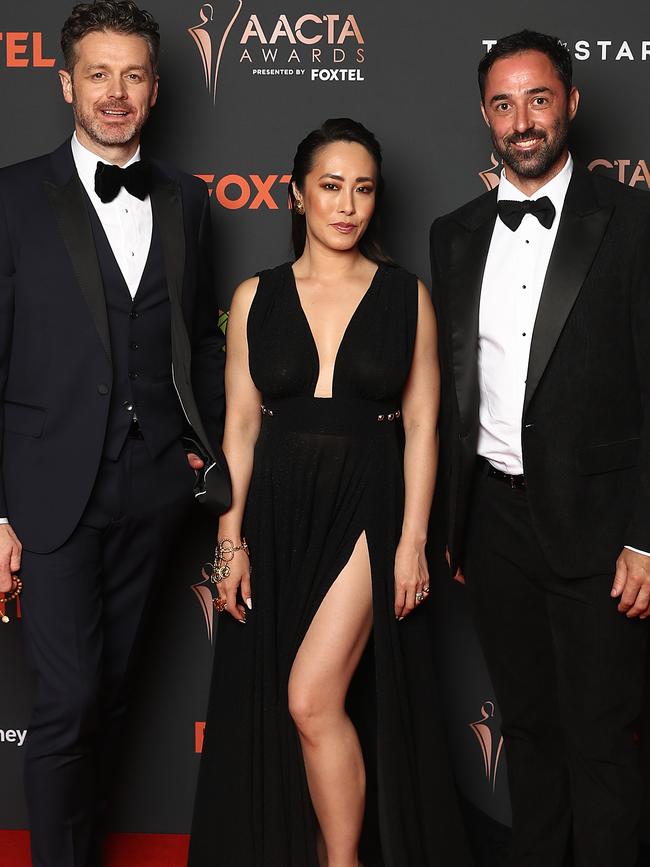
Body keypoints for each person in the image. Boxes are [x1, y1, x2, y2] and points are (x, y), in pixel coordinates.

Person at [189, 118, 472, 867]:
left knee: (311, 697)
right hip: (278, 509)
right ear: (297, 194)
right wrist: (229, 543)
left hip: (368, 509)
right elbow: (242, 427)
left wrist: (412, 540)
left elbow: (422, 424)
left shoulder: (406, 295)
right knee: (300, 706)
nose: (347, 205)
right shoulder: (257, 295)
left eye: (364, 189)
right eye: (331, 186)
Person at [0, 2, 229, 865]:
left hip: (155, 488)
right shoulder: (14, 196)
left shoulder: (187, 201)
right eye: (98, 73)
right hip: (48, 491)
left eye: (133, 74)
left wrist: (203, 447)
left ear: (157, 86)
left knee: (115, 699)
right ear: (65, 82)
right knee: (65, 702)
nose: (116, 92)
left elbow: (196, 341)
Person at [430, 30, 650, 867]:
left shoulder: (632, 222)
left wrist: (645, 534)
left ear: (572, 104)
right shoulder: (453, 234)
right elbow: (456, 389)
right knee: (526, 727)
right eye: (503, 102)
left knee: (599, 735)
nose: (522, 120)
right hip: (492, 524)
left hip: (603, 530)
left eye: (539, 98)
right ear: (485, 115)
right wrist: (457, 522)